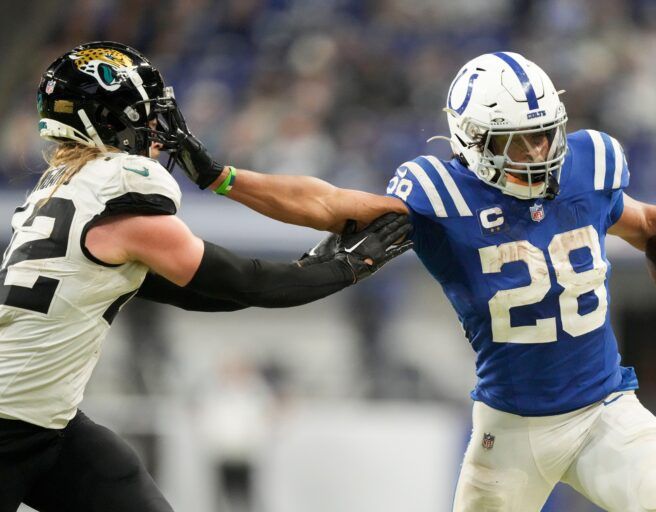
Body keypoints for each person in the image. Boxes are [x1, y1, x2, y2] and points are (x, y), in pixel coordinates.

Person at [178, 51, 656, 511]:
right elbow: (326, 203)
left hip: (605, 410)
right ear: (470, 139)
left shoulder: (589, 165)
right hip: (508, 431)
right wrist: (224, 177)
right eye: (515, 141)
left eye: (543, 134)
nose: (536, 152)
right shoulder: (437, 196)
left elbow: (648, 222)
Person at [0, 41, 411, 512]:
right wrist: (348, 267)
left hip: (47, 420)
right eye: (144, 113)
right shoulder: (121, 197)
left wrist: (317, 267)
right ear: (111, 118)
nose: (155, 128)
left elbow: (201, 292)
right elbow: (244, 283)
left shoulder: (61, 191)